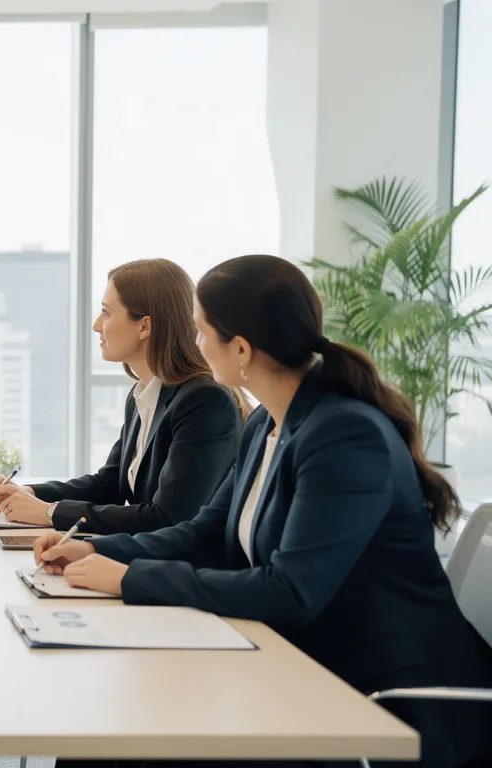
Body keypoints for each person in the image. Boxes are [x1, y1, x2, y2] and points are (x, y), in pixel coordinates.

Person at [34, 254, 492, 768]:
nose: (196, 344)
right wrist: (93, 547)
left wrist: (129, 578)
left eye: (203, 331)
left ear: (243, 349)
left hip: (377, 694)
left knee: (149, 741)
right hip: (293, 658)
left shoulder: (345, 434)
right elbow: (206, 533)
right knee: (107, 731)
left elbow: (289, 590)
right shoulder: (264, 426)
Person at [0, 259, 245, 534]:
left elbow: (167, 519)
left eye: (106, 313)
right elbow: (109, 486)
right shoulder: (143, 395)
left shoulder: (204, 402)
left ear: (145, 326)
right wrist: (29, 492)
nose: (96, 325)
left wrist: (50, 513)